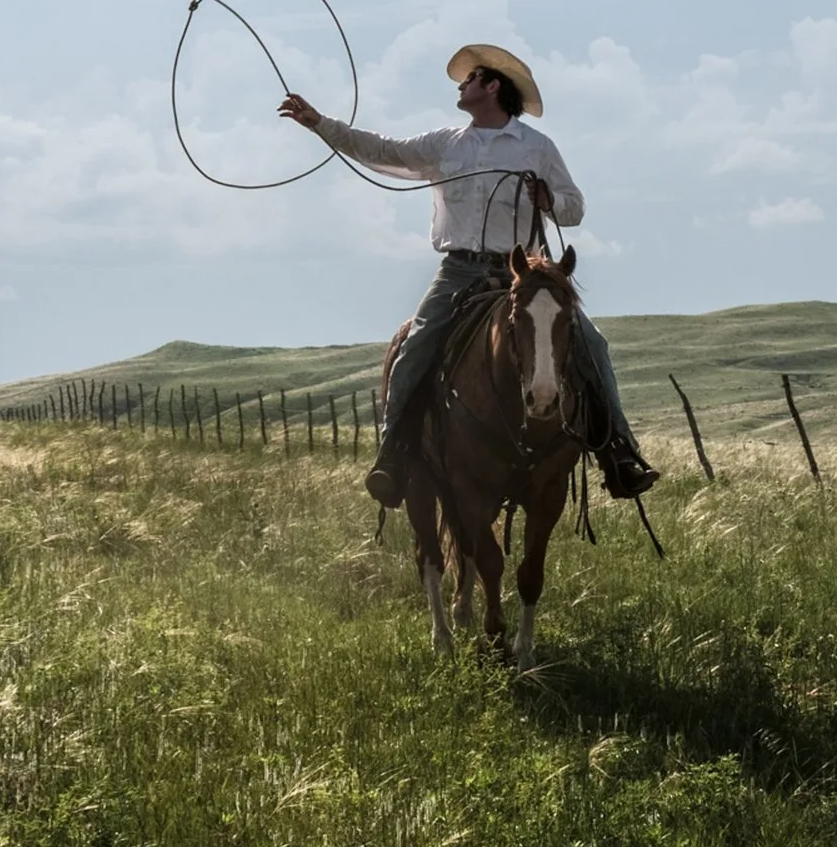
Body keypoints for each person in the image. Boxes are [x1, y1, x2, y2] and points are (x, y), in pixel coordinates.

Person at [280, 42, 656, 506]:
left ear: (493, 86)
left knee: (591, 343)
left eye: (470, 78)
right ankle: (394, 453)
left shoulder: (537, 148)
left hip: (522, 276)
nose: (461, 85)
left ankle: (619, 453)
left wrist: (548, 201)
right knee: (414, 347)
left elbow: (574, 208)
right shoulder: (444, 144)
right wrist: (320, 124)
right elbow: (380, 149)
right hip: (459, 270)